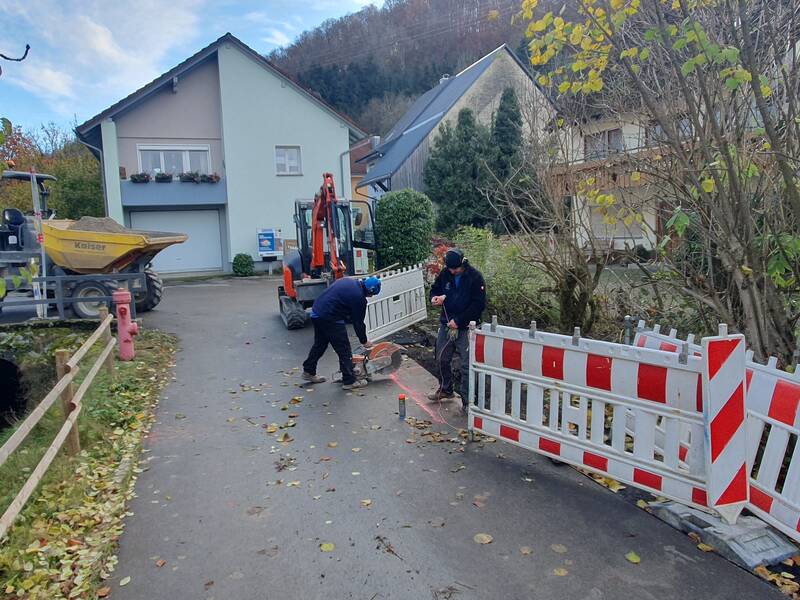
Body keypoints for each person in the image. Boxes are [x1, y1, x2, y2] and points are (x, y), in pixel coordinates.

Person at [428, 248, 486, 409]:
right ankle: (446, 389)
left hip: (467, 327)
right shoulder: (446, 273)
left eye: (455, 268)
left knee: (466, 365)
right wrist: (434, 298)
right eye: (450, 268)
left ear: (463, 263)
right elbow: (435, 289)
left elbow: (478, 304)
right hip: (446, 323)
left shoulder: (475, 277)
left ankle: (468, 402)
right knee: (440, 358)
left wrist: (459, 321)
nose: (453, 271)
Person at [302, 276, 382, 390]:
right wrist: (364, 341)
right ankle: (349, 381)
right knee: (344, 349)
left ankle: (308, 371)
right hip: (330, 317)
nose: (371, 297)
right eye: (372, 294)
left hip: (317, 312)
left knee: (320, 345)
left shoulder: (349, 281)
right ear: (370, 291)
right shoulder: (359, 298)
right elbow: (358, 322)